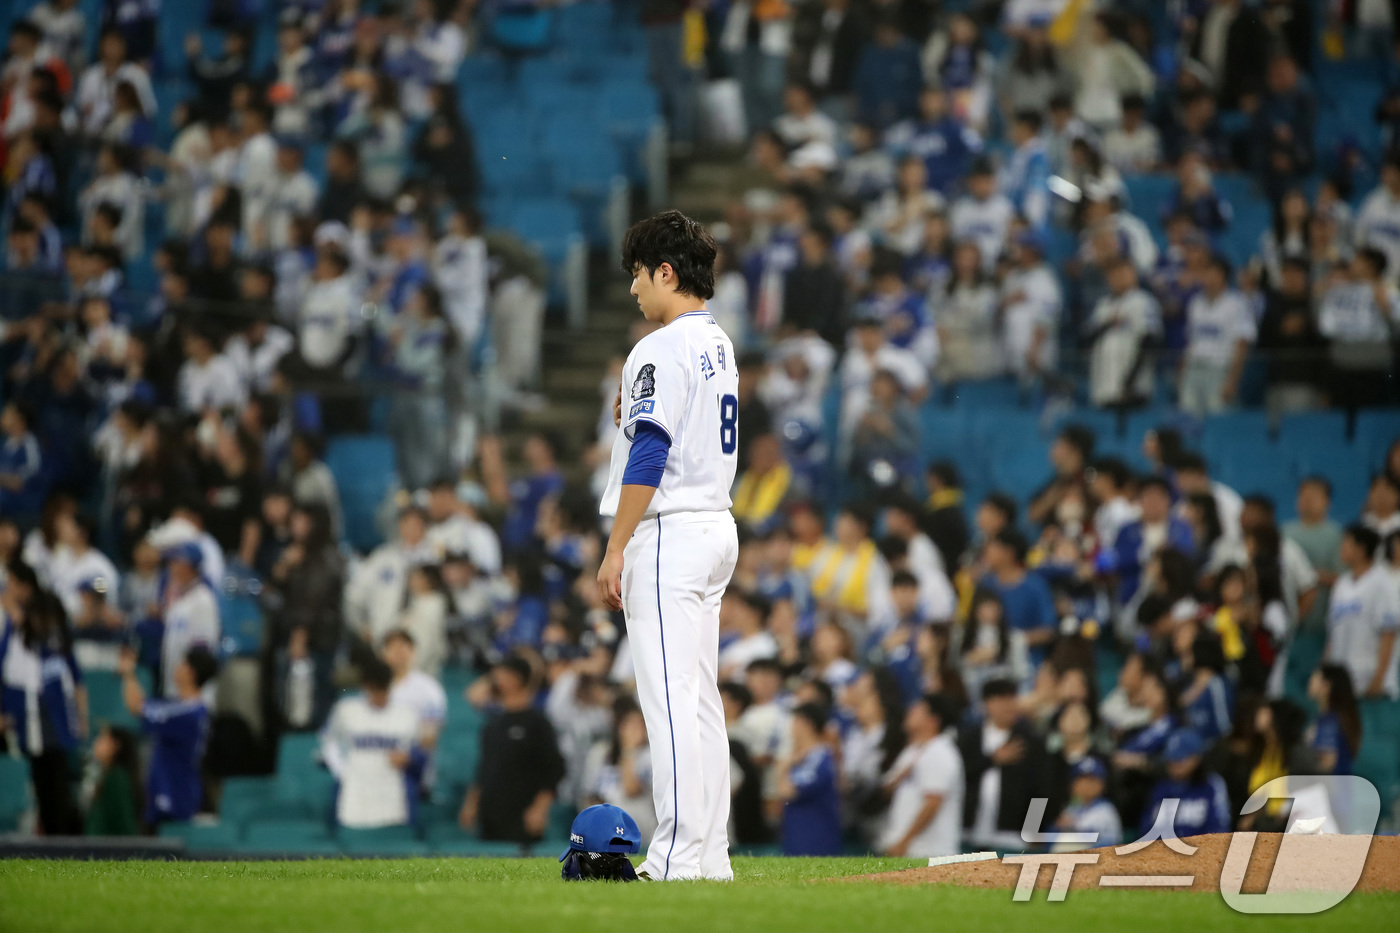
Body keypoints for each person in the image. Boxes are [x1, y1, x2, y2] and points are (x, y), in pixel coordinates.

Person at [595, 211, 741, 881]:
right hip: (714, 525)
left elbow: (651, 450)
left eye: (637, 274)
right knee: (700, 699)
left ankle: (676, 859)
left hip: (671, 532)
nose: (634, 290)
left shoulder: (659, 346)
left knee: (671, 701)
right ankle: (710, 857)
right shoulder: (717, 340)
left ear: (666, 272)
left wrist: (615, 544)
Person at [0, 566, 86, 835]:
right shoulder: (14, 635)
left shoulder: (55, 640)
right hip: (24, 718)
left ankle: (62, 840)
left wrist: (81, 716)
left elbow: (77, 678)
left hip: (52, 722)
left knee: (55, 784)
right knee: (38, 781)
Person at [460, 656, 565, 844]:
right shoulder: (493, 723)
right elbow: (484, 768)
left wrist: (540, 809)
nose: (496, 678)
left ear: (517, 678)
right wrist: (471, 804)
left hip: (523, 813)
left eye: (503, 673)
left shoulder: (538, 723)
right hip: (490, 812)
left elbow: (555, 768)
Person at [119, 644, 218, 827]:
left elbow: (137, 706)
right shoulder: (184, 708)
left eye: (183, 664)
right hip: (175, 789)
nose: (177, 668)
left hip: (175, 792)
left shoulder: (188, 714)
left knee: (166, 850)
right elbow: (144, 705)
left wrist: (128, 673)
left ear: (191, 673)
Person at [321, 658, 423, 829]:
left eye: (384, 690)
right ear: (367, 687)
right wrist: (341, 770)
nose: (381, 696)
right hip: (355, 786)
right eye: (376, 690)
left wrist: (409, 758)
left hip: (391, 787)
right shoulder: (346, 710)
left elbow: (418, 752)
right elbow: (329, 741)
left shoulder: (407, 715)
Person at [959, 677, 1051, 852]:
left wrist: (1032, 830)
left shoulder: (1031, 742)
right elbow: (960, 775)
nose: (1009, 705)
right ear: (987, 704)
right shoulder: (968, 739)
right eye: (1002, 700)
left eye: (1012, 699)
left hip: (1010, 836)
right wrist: (992, 760)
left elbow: (1040, 788)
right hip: (968, 831)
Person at [877, 692, 963, 858]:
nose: (910, 713)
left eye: (917, 710)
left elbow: (932, 803)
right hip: (909, 850)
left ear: (933, 720)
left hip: (930, 852)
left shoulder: (940, 752)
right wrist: (900, 776)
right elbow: (886, 789)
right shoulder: (911, 750)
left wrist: (904, 841)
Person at [1326, 524, 1400, 699]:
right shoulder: (1341, 584)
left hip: (1370, 681)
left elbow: (1388, 633)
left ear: (1361, 549)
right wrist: (1325, 672)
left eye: (1346, 544)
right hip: (1341, 681)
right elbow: (1332, 635)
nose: (1341, 549)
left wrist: (1379, 679)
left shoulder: (1382, 582)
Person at [1140, 729, 1233, 839]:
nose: (1174, 764)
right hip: (1164, 854)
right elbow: (1147, 831)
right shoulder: (1161, 788)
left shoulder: (1211, 785)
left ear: (1197, 758)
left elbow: (1220, 827)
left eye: (1180, 759)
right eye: (1171, 759)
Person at [777, 703, 842, 856]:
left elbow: (788, 791)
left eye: (795, 721)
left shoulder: (820, 757)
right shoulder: (800, 759)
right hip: (797, 837)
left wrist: (783, 767)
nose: (792, 726)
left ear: (807, 724)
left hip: (816, 840)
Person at [383, 629, 446, 786]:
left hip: (412, 766)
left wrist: (408, 757)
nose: (399, 652)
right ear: (383, 653)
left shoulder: (429, 689)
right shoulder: (375, 687)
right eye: (393, 647)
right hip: (379, 763)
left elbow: (430, 737)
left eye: (404, 647)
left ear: (413, 652)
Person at [157, 543, 220, 700]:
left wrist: (190, 692)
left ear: (190, 566)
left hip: (193, 694)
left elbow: (202, 652)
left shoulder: (203, 600)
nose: (172, 568)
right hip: (174, 689)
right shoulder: (179, 601)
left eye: (176, 562)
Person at [1052, 757, 1122, 852]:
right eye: (1082, 779)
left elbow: (1107, 843)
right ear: (1073, 785)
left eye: (1092, 780)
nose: (1087, 785)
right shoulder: (1072, 808)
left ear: (1102, 785)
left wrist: (1069, 828)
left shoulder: (1106, 810)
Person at [84, 724, 142, 836]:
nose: (96, 743)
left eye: (102, 738)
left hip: (110, 850)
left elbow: (125, 823)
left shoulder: (118, 779)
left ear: (116, 745)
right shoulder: (107, 775)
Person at [1308, 664, 1362, 777]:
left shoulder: (1329, 722)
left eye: (1315, 678)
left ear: (1326, 686)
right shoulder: (1328, 718)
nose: (1310, 682)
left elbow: (1328, 763)